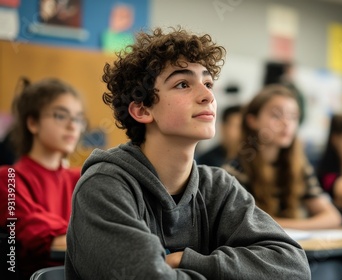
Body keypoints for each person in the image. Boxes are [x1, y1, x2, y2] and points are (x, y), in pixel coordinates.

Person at [65, 28, 310, 280]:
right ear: (142, 110)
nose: (208, 96)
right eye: (183, 84)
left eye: (208, 83)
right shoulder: (103, 186)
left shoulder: (218, 186)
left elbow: (292, 266)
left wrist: (186, 260)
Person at [223, 84, 342, 279]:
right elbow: (244, 230)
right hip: (259, 261)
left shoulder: (299, 166)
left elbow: (333, 217)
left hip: (298, 251)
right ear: (252, 120)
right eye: (276, 115)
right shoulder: (234, 171)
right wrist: (299, 225)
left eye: (293, 117)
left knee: (337, 267)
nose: (286, 123)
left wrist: (283, 226)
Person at [0, 78, 86, 279]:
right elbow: (36, 231)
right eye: (60, 115)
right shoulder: (8, 178)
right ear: (32, 123)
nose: (73, 125)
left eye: (79, 118)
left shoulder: (83, 176)